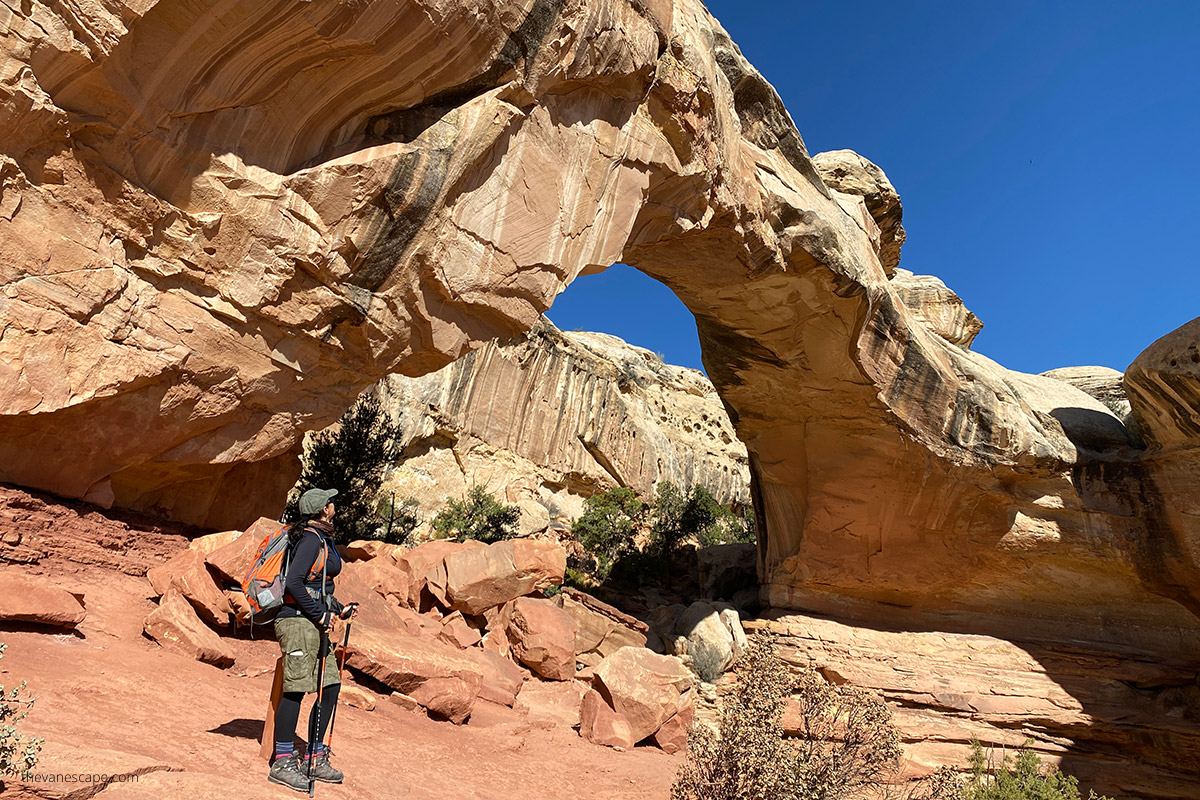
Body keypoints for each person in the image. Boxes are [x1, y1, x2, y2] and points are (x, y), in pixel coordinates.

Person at [267, 487, 355, 792]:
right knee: (296, 689)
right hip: (296, 623)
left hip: (313, 622)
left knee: (329, 685)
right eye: (331, 502)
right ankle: (282, 760)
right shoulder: (308, 539)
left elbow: (316, 586)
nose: (334, 504)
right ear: (323, 509)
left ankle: (315, 756)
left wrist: (337, 608)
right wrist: (320, 615)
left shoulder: (321, 538)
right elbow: (294, 582)